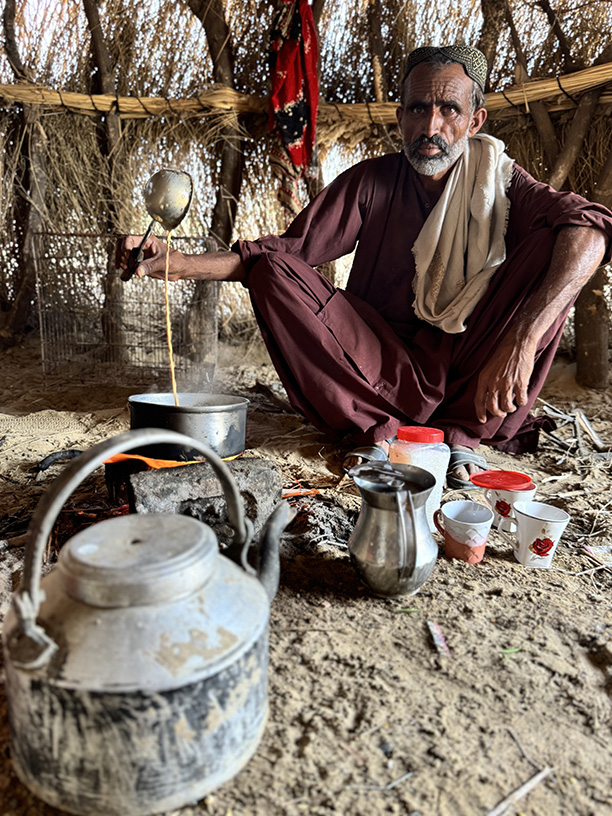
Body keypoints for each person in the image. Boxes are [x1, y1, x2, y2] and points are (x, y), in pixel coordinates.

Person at [116, 44, 612, 488]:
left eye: (448, 110)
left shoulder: (505, 184)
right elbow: (283, 252)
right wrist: (179, 264)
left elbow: (592, 229)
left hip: (472, 371)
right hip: (377, 369)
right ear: (401, 117)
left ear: (475, 121)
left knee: (560, 246)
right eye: (419, 108)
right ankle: (379, 429)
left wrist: (521, 343)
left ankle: (460, 437)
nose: (432, 126)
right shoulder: (372, 180)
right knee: (272, 271)